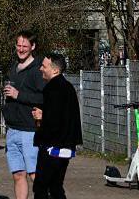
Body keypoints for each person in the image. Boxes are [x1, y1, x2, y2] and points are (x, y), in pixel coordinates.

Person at [31, 53, 81, 199]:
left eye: (44, 66)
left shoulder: (52, 89)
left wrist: (41, 117)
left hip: (53, 147)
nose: (41, 69)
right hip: (66, 145)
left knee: (41, 186)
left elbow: (54, 121)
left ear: (55, 70)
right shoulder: (68, 87)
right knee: (56, 186)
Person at [3, 31, 45, 199]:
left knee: (35, 175)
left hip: (30, 131)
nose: (20, 49)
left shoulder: (38, 70)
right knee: (18, 175)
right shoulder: (13, 68)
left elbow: (44, 97)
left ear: (33, 47)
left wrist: (18, 95)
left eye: (24, 46)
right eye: (18, 45)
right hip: (12, 130)